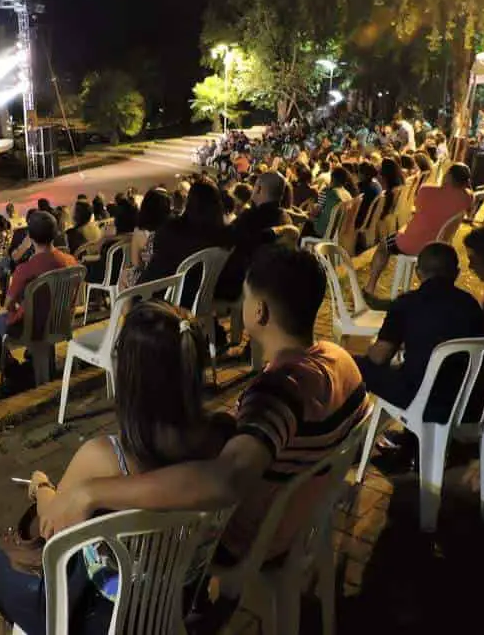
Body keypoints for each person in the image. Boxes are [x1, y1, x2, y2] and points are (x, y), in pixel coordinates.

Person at [40, 246, 370, 611]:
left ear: (258, 311)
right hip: (299, 522)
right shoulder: (340, 360)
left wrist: (90, 492)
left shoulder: (278, 393)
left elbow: (225, 480)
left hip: (243, 544)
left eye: (246, 296)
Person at [0, 300, 234, 633]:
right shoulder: (225, 440)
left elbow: (52, 527)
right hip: (175, 604)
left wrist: (41, 487)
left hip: (102, 616)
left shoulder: (104, 457)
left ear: (130, 378)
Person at [357, 243, 484, 423]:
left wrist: (371, 348)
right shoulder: (471, 305)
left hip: (419, 396)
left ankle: (345, 427)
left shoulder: (406, 303)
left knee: (356, 365)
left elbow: (379, 357)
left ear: (418, 272)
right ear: (456, 273)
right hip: (464, 400)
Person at [0, 211, 79, 374]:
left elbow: (8, 305)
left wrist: (20, 305)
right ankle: (34, 361)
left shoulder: (26, 269)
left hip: (31, 328)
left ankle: (11, 371)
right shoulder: (71, 261)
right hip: (61, 321)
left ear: (29, 237)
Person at [363, 163, 473, 297]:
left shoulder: (427, 190)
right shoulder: (467, 198)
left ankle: (369, 288)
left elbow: (418, 208)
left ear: (448, 176)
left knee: (383, 246)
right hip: (439, 246)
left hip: (413, 243)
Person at [140, 179, 231, 309]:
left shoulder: (172, 230)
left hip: (170, 299)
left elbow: (157, 268)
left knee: (130, 297)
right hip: (206, 297)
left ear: (189, 202)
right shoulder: (224, 234)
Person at [215, 172, 291, 302]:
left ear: (259, 189)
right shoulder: (285, 218)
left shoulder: (251, 218)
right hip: (269, 284)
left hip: (240, 286)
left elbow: (223, 238)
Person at [119, 188, 172, 290]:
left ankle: (126, 305)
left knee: (124, 275)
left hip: (152, 281)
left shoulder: (141, 232)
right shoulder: (172, 227)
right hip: (173, 278)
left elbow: (136, 263)